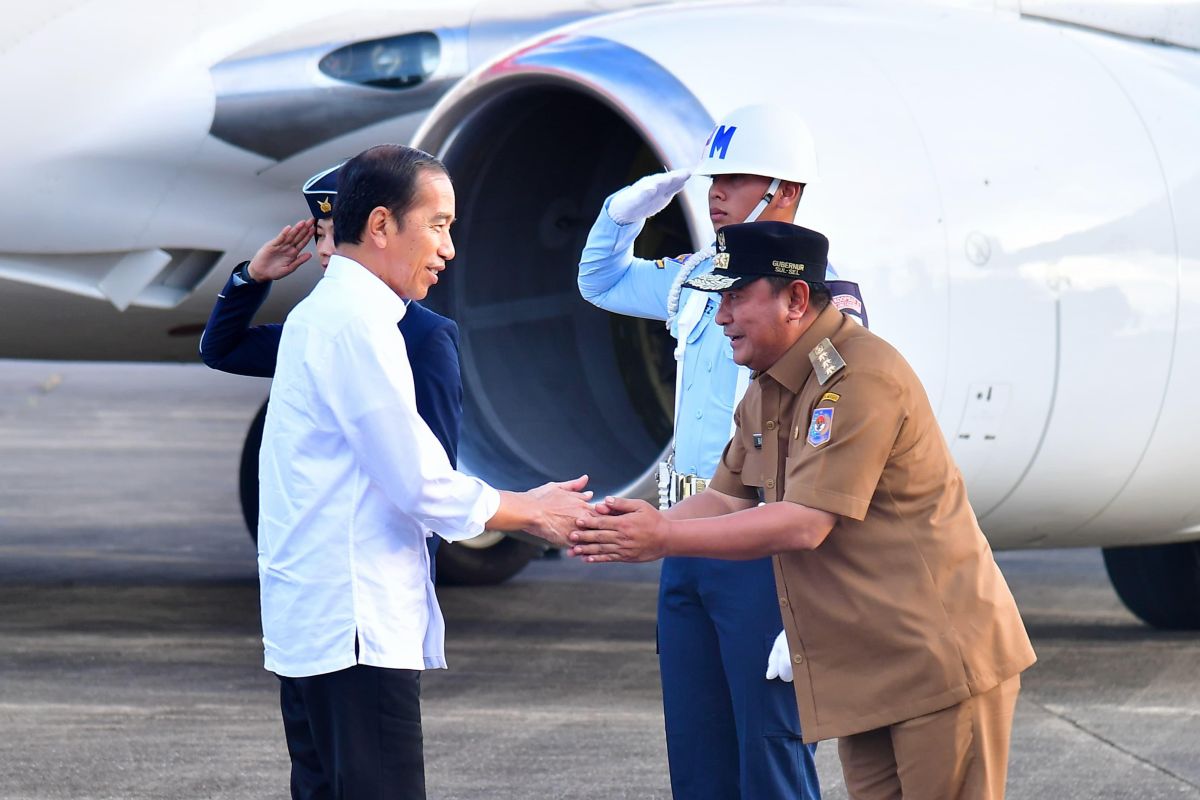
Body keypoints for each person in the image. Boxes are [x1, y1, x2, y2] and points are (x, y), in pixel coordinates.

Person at [571, 221, 1037, 800]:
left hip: (937, 665)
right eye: (718, 300)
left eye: (736, 297)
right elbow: (725, 498)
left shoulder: (858, 377)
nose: (721, 318)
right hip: (871, 670)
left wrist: (662, 536)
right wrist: (618, 520)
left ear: (795, 299)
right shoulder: (769, 385)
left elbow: (805, 522)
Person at [257, 143, 591, 800]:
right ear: (381, 226)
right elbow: (418, 480)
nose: (449, 248)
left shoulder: (320, 315)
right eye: (437, 225)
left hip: (318, 622)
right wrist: (533, 510)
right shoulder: (358, 324)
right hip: (355, 627)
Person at [577, 104, 863, 799]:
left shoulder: (819, 298)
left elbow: (827, 448)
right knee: (699, 754)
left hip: (764, 542)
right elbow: (601, 281)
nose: (715, 194)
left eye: (735, 179)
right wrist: (621, 214)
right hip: (690, 531)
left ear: (785, 191)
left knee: (769, 756)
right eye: (713, 178)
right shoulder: (696, 276)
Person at [199, 162, 463, 579]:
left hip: (387, 571)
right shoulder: (319, 327)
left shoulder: (425, 337)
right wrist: (252, 278)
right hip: (320, 564)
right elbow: (222, 350)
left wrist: (420, 571)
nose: (324, 250)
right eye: (319, 234)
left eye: (334, 235)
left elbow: (437, 471)